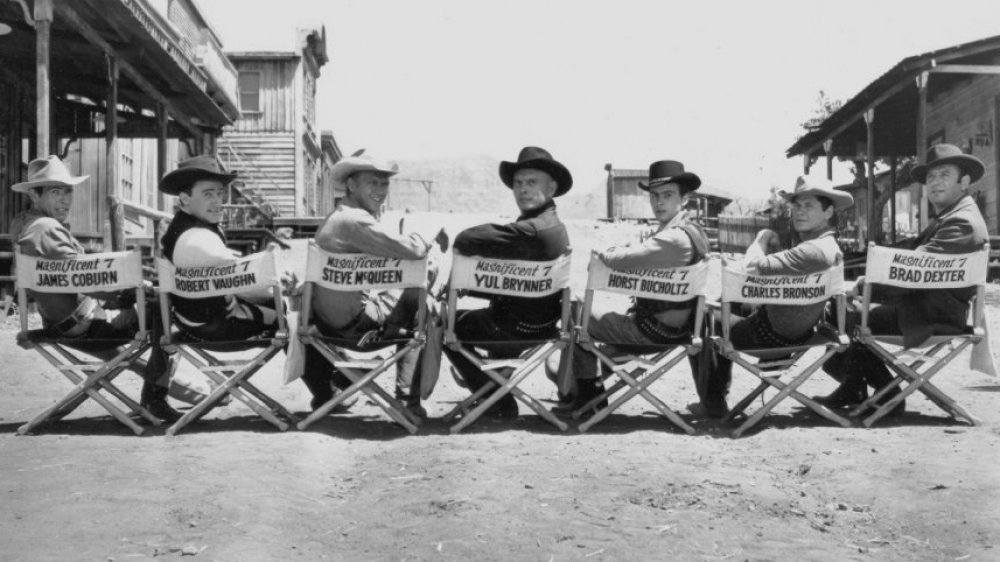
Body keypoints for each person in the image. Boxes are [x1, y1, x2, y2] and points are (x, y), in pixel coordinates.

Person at [817, 144, 989, 414]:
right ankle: (860, 387)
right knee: (842, 309)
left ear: (964, 181)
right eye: (930, 177)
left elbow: (912, 272)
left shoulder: (961, 223)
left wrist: (865, 287)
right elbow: (913, 256)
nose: (935, 183)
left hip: (930, 315)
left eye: (944, 175)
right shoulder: (953, 216)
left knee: (841, 311)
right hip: (928, 307)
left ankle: (885, 392)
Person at [10, 155, 181, 421]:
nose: (66, 200)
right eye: (56, 192)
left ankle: (156, 381)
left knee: (147, 300)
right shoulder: (46, 231)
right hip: (84, 326)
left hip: (59, 323)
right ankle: (155, 398)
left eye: (68, 191)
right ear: (35, 195)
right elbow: (92, 280)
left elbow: (74, 275)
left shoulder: (24, 225)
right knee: (162, 307)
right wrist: (134, 290)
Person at [551, 159, 714, 417]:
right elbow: (643, 253)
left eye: (668, 195)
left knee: (574, 307)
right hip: (677, 329)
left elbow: (614, 259)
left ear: (684, 200)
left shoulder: (673, 239)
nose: (659, 202)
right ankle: (588, 377)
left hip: (650, 332)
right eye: (655, 196)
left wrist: (609, 250)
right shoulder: (693, 232)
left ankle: (587, 395)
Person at [302, 150, 446, 419]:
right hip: (357, 330)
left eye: (384, 183)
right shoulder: (355, 221)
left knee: (412, 284)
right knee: (422, 296)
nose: (380, 190)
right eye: (373, 182)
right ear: (352, 185)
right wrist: (434, 229)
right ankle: (407, 401)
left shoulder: (337, 217)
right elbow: (414, 249)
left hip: (327, 327)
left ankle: (339, 385)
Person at [706, 175, 853, 417]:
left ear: (828, 212)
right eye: (796, 205)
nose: (799, 212)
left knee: (702, 314)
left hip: (769, 339)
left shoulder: (811, 251)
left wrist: (762, 237)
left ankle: (713, 401)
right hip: (796, 331)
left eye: (809, 206)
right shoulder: (829, 247)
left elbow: (750, 267)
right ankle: (716, 394)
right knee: (726, 298)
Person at [443, 146, 572, 419]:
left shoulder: (532, 230)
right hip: (543, 325)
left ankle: (494, 397)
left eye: (531, 182)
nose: (522, 190)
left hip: (512, 328)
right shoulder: (551, 225)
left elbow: (467, 238)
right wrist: (473, 285)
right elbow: (518, 280)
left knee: (444, 323)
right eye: (518, 183)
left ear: (551, 188)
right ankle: (495, 386)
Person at [159, 155, 291, 344]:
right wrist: (280, 280)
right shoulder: (198, 239)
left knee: (273, 303)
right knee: (290, 317)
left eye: (219, 193)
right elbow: (248, 284)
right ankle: (317, 373)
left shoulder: (179, 228)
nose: (217, 201)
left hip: (188, 321)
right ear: (185, 198)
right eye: (208, 194)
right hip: (218, 328)